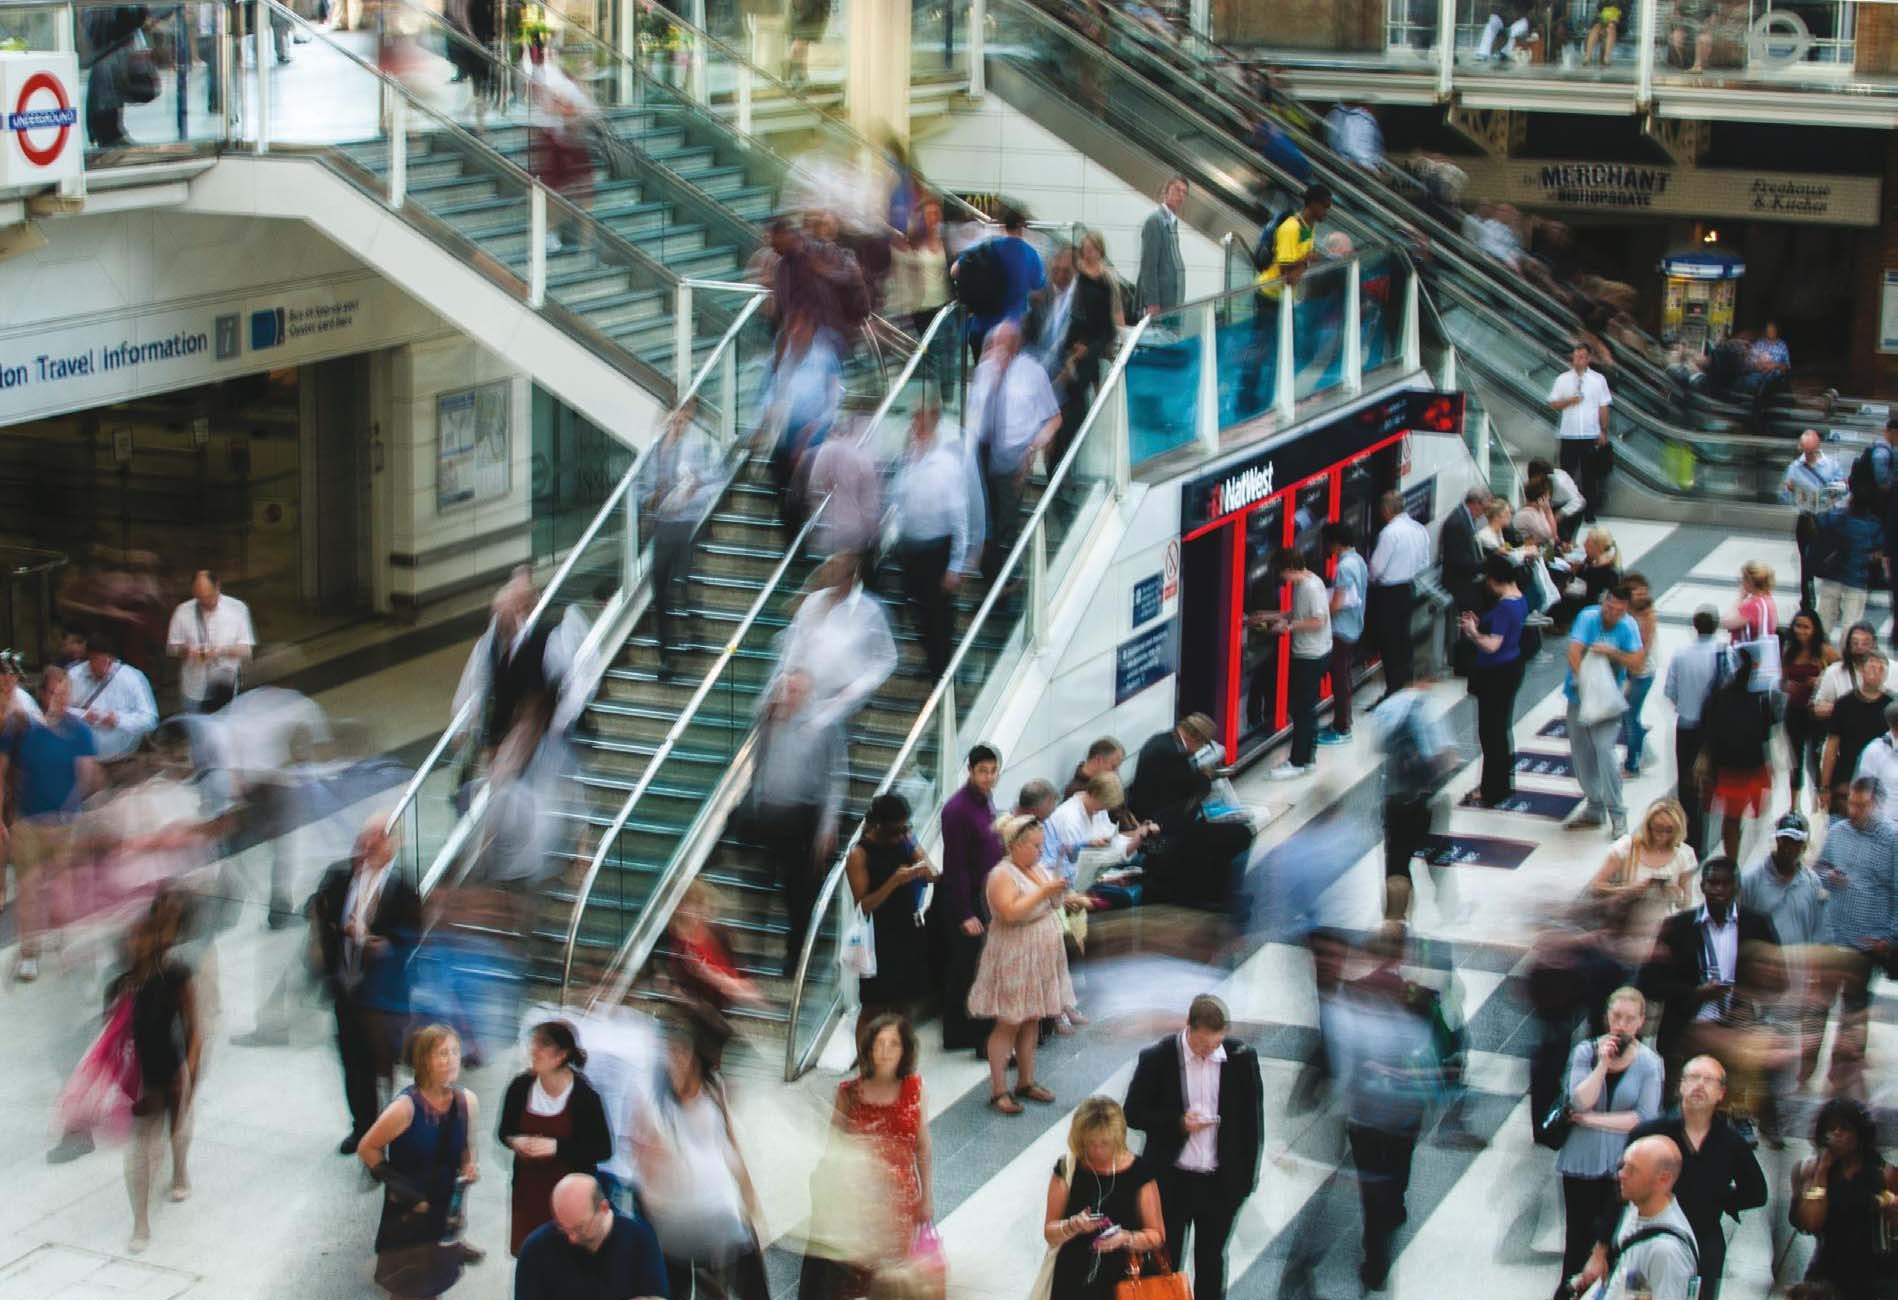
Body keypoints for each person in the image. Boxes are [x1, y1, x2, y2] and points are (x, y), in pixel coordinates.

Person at [1122, 995, 1264, 1300]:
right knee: (1163, 1260)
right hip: (1171, 1181)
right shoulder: (1157, 1059)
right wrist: (1177, 1123)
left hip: (1219, 1183)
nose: (1209, 1051)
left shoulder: (1241, 1059)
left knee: (1211, 1261)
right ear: (1189, 1028)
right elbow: (1132, 1113)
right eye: (1202, 1045)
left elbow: (1252, 1125)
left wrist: (1244, 1185)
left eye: (1216, 1044)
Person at [631, 1019, 769, 1300]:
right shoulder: (653, 1101)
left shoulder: (714, 1091)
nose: (676, 1062)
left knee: (737, 1286)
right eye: (670, 1055)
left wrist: (748, 1195)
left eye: (681, 1054)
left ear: (695, 1058)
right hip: (675, 1216)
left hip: (718, 1210)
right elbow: (644, 1158)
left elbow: (730, 1144)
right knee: (679, 1287)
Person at [803, 1014, 935, 1299]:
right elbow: (833, 1149)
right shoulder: (849, 1093)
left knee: (890, 1281)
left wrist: (927, 1196)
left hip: (899, 1205)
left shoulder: (915, 1089)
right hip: (857, 1204)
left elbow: (922, 1147)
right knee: (851, 1282)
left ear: (905, 1051)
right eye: (879, 1044)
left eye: (894, 1044)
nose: (885, 1051)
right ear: (868, 1049)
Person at [314, 817, 422, 1155]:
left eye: (380, 837)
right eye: (367, 836)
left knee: (383, 1065)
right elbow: (320, 913)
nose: (370, 843)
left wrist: (382, 946)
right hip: (346, 987)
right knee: (352, 1060)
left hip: (382, 997)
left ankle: (386, 1131)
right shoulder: (340, 877)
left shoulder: (403, 890)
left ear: (394, 843)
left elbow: (413, 940)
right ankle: (361, 1126)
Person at [358, 1025, 481, 1298]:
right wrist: (402, 1189)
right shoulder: (405, 1108)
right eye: (442, 1054)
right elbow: (367, 1148)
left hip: (441, 1216)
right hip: (407, 1220)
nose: (451, 1060)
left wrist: (470, 1166)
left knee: (432, 1288)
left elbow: (467, 1151)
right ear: (424, 1061)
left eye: (454, 1052)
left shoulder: (466, 1102)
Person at [112, 890, 203, 1254]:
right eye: (130, 938)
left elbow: (194, 1029)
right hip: (141, 1078)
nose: (135, 943)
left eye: (141, 936)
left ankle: (180, 1169)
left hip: (171, 1067)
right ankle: (141, 1222)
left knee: (177, 1131)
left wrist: (191, 1073)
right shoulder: (120, 984)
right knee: (138, 1148)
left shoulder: (176, 975)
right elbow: (112, 1040)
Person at [1555, 987, 1664, 1293]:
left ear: (1640, 1022)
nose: (1621, 1024)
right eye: (1616, 1016)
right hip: (1581, 1161)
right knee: (1577, 1240)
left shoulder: (1649, 1063)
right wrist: (1602, 1065)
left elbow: (1642, 1117)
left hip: (1622, 1166)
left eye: (1629, 1018)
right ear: (1607, 1016)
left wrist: (1590, 1121)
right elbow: (1578, 1100)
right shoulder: (1585, 1052)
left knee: (1614, 1240)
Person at [1639, 857, 1782, 1084]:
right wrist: (1695, 993)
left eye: (1725, 884)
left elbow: (1779, 979)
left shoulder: (1756, 925)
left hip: (1738, 1033)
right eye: (1712, 883)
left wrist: (1747, 1000)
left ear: (1737, 887)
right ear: (1702, 885)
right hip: (1686, 1034)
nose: (1718, 890)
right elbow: (1648, 983)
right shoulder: (1678, 927)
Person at [968, 814, 1073, 1114]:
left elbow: (1052, 902)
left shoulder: (1036, 868)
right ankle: (998, 1088)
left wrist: (1060, 891)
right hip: (1015, 953)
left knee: (1031, 1018)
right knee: (1009, 1022)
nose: (1040, 852)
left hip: (1039, 952)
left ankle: (1026, 1081)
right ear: (1015, 845)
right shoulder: (1001, 874)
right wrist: (1044, 891)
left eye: (1042, 846)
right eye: (1035, 846)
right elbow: (1010, 913)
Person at [2, 664, 102, 982]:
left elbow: (87, 776)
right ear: (43, 694)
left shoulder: (81, 731)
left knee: (63, 890)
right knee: (29, 889)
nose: (62, 699)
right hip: (28, 822)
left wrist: (85, 807)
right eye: (56, 692)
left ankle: (62, 938)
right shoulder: (21, 730)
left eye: (66, 692)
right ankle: (28, 952)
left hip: (65, 823)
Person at [749, 669, 847, 978]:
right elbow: (758, 763)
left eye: (794, 692)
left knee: (798, 893)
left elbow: (836, 776)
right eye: (785, 690)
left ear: (807, 694)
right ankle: (754, 954)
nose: (788, 697)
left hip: (804, 815)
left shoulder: (824, 724)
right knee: (760, 884)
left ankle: (796, 960)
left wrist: (828, 825)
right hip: (769, 812)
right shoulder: (769, 720)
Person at [1809, 776, 1898, 1099]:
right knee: (1818, 1006)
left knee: (1854, 1010)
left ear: (1876, 804)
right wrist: (1828, 876)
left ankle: (1841, 1074)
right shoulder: (1838, 832)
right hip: (1834, 935)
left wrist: (1890, 935)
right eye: (1851, 803)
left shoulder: (1892, 841)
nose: (1853, 810)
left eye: (1861, 805)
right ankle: (1807, 1067)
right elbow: (1817, 868)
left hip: (1866, 943)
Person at [497, 1021, 613, 1257]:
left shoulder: (584, 1097)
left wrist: (556, 1148)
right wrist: (515, 1141)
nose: (534, 1051)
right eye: (534, 1044)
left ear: (561, 1055)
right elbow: (504, 1131)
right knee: (531, 1256)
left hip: (570, 1200)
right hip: (528, 1192)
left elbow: (602, 1149)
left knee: (564, 1258)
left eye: (543, 1046)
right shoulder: (520, 1087)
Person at [1125, 714, 1254, 911]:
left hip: (1165, 822)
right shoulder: (1171, 755)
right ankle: (1214, 897)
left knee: (1228, 834)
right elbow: (1191, 787)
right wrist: (1205, 777)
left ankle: (1218, 895)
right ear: (1196, 738)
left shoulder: (1162, 742)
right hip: (1164, 830)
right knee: (1238, 835)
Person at [1740, 811, 1828, 1098]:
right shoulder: (1751, 880)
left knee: (1789, 1048)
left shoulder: (1812, 883)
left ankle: (1783, 1098)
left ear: (1804, 846)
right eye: (1784, 840)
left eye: (1795, 842)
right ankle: (1769, 1109)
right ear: (1776, 840)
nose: (1788, 847)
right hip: (1764, 983)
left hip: (1799, 981)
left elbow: (1818, 933)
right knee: (1766, 1047)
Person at [1041, 1098, 1165, 1300]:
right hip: (1073, 1278)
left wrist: (1126, 1238)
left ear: (1117, 1138)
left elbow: (1156, 1235)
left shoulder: (1139, 1173)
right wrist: (1073, 1225)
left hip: (1125, 1280)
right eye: (1091, 1143)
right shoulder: (1068, 1168)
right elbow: (1050, 1232)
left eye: (1105, 1143)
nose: (1097, 1150)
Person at [968, 322, 1060, 579]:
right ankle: (993, 577)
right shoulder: (984, 370)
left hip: (1015, 456)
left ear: (1016, 345)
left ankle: (1004, 581)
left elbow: (1054, 418)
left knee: (1005, 523)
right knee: (986, 521)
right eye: (996, 343)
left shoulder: (1033, 372)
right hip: (983, 453)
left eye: (1006, 344)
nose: (999, 350)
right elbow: (974, 412)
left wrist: (1033, 449)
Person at [890, 400, 974, 681]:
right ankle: (931, 660)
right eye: (914, 421)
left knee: (939, 613)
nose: (916, 427)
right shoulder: (910, 459)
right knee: (918, 608)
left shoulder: (947, 464)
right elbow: (898, 498)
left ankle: (942, 667)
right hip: (911, 546)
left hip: (938, 547)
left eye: (921, 422)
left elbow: (959, 517)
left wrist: (955, 565)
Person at [635, 403, 719, 678]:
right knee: (660, 588)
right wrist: (651, 498)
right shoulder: (654, 452)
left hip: (686, 522)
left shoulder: (697, 447)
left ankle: (693, 629)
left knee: (682, 579)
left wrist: (694, 487)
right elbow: (640, 490)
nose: (677, 426)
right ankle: (666, 656)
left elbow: (715, 476)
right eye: (674, 421)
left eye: (682, 420)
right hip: (663, 525)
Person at [1790, 1098, 1898, 1300]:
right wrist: (1822, 1171)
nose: (1837, 1134)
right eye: (1831, 1129)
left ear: (1859, 1134)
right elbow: (1810, 1222)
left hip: (1875, 1274)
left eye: (1845, 1128)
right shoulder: (1809, 1170)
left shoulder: (1884, 1174)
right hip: (1828, 1268)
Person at [932, 745, 1003, 1053]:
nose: (988, 777)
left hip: (983, 895)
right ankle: (962, 1034)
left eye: (992, 771)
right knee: (966, 969)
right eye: (982, 771)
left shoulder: (983, 801)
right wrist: (964, 913)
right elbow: (956, 865)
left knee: (975, 967)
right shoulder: (958, 809)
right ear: (970, 771)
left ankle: (968, 1033)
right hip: (966, 899)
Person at [1570, 1135, 1702, 1300]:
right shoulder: (1636, 1207)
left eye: (1632, 1170)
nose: (1621, 1174)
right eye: (1623, 1166)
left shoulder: (1666, 1252)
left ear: (1663, 1180)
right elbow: (1636, 1286)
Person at [846, 794, 939, 1028]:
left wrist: (919, 864)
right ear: (879, 825)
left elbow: (933, 873)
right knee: (873, 1006)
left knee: (904, 1003)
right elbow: (863, 905)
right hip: (877, 936)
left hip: (906, 929)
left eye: (905, 827)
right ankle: (867, 1062)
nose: (900, 835)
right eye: (895, 830)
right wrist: (893, 882)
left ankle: (902, 1058)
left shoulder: (905, 840)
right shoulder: (860, 854)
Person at [1565, 583, 1644, 839]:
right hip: (1580, 697)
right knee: (1581, 753)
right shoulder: (1588, 618)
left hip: (1608, 701)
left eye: (1618, 611)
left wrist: (1613, 652)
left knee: (1605, 752)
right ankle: (1594, 805)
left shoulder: (1628, 626)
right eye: (1608, 608)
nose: (1611, 614)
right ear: (1603, 602)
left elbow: (1637, 661)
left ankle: (1617, 812)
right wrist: (1585, 682)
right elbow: (1574, 652)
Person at [513, 1173, 668, 1300]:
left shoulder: (639, 1236)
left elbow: (656, 1295)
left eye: (580, 1228)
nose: (571, 1238)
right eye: (561, 1226)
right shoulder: (535, 1249)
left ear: (603, 1208)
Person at [1256, 547, 1331, 781]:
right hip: (1314, 652)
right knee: (1306, 709)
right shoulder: (1308, 583)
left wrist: (1288, 628)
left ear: (1289, 569)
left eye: (1282, 574)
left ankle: (1299, 761)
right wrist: (1271, 616)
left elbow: (1317, 620)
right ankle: (1306, 757)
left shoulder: (1309, 587)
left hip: (1310, 655)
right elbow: (1297, 612)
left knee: (1302, 710)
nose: (1282, 579)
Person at [1053, 230, 1125, 468]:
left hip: (1097, 338)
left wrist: (1117, 336)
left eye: (1093, 248)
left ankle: (1069, 449)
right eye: (1086, 247)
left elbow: (1113, 314)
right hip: (1076, 339)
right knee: (1074, 393)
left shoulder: (1107, 279)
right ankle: (1064, 451)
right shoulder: (1075, 275)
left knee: (1079, 388)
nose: (1089, 252)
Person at [1461, 552, 1528, 808]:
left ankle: (1492, 789)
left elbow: (1492, 645)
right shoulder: (1519, 598)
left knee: (1491, 733)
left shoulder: (1504, 607)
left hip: (1496, 674)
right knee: (1500, 730)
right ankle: (1499, 784)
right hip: (1511, 667)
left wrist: (1473, 633)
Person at [1699, 648, 1778, 861]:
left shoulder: (1720, 696)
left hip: (1736, 767)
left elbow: (1709, 731)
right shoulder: (1759, 697)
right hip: (1741, 768)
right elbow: (1767, 732)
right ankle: (1735, 863)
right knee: (1739, 819)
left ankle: (1736, 862)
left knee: (1735, 819)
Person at [1590, 798, 1699, 943]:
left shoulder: (1684, 855)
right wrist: (1628, 890)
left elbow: (1686, 902)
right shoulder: (1627, 846)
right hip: (1627, 927)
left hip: (1662, 930)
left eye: (1669, 830)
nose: (1662, 835)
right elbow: (1596, 886)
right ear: (1648, 826)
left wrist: (1676, 894)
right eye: (1658, 828)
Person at [1665, 607, 1725, 858]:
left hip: (1687, 725)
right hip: (1715, 728)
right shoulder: (1723, 653)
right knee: (1711, 781)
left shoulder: (1681, 654)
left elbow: (1670, 690)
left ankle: (1693, 840)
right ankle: (1712, 831)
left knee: (1687, 785)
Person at [956, 203, 1044, 360]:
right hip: (1010, 333)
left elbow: (955, 270)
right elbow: (1038, 286)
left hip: (980, 327)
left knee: (984, 375)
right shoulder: (1030, 254)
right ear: (1022, 227)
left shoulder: (986, 246)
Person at [1367, 489, 1429, 703]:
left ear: (1386, 510)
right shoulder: (1418, 529)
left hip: (1389, 593)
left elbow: (1375, 568)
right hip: (1408, 589)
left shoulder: (1389, 533)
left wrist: (1371, 580)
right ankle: (1405, 682)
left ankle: (1394, 689)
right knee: (1404, 639)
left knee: (1390, 642)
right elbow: (1424, 562)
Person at [166, 569, 255, 713]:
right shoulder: (182, 611)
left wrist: (220, 651)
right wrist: (187, 651)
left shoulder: (237, 608)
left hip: (225, 687)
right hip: (194, 689)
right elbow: (172, 648)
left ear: (217, 587)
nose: (205, 602)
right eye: (200, 598)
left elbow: (247, 650)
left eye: (209, 596)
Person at [66, 631, 158, 761]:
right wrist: (82, 715)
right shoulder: (73, 676)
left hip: (120, 752)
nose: (102, 667)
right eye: (95, 660)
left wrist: (118, 720)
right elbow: (58, 710)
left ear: (113, 659)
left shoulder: (132, 677)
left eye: (107, 661)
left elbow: (150, 719)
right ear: (89, 658)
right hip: (81, 754)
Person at [1547, 344, 1613, 521]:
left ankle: (1589, 512)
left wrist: (1603, 430)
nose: (1578, 361)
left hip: (1589, 434)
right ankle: (1564, 510)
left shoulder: (1598, 380)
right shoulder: (1563, 379)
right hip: (1569, 434)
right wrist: (1569, 401)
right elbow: (1553, 403)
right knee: (1566, 474)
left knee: (1589, 475)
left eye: (1582, 357)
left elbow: (1604, 405)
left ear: (1588, 359)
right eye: (1575, 357)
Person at [1812, 479, 1885, 636]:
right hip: (1857, 578)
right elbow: (1879, 551)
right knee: (1850, 624)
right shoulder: (1874, 525)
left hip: (1833, 573)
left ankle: (1820, 654)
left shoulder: (1835, 517)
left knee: (1825, 619)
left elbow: (1818, 521)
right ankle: (1847, 657)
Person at [1783, 610, 1839, 812]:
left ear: (1815, 629)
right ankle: (1793, 807)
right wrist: (1787, 686)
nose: (1802, 631)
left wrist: (1821, 681)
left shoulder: (1825, 651)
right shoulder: (1790, 652)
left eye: (1806, 627)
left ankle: (1818, 803)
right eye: (1798, 626)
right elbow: (1781, 679)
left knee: (1816, 759)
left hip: (1816, 715)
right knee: (1795, 760)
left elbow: (1839, 673)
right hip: (1794, 712)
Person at [1783, 432, 1847, 609]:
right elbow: (1785, 497)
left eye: (1811, 451)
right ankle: (1808, 601)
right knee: (1806, 561)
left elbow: (1843, 488)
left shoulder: (1831, 465)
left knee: (1831, 559)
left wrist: (1835, 491)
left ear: (1818, 447)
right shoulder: (1795, 467)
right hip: (1806, 519)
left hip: (1828, 517)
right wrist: (1788, 490)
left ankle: (1835, 600)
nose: (1808, 455)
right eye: (1805, 451)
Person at [1820, 654, 1891, 814]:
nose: (1875, 671)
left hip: (1880, 782)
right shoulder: (1844, 704)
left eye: (1880, 668)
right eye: (1871, 666)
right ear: (1861, 670)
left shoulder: (1892, 706)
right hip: (1845, 778)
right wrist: (1824, 786)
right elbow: (1831, 746)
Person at [1320, 522, 1369, 746]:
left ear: (1336, 544)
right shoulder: (1358, 560)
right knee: (1343, 677)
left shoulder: (1344, 567)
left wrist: (1319, 613)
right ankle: (1342, 722)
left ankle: (1342, 727)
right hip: (1354, 627)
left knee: (1339, 679)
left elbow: (1338, 603)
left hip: (1341, 630)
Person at [1619, 573, 1660, 777]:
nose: (1641, 593)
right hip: (1629, 669)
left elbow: (1643, 648)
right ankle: (1643, 749)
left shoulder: (1647, 616)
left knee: (1630, 715)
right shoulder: (1627, 610)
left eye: (1643, 589)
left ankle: (1632, 763)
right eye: (1636, 590)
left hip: (1641, 672)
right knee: (1627, 714)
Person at [1136, 176, 1188, 317]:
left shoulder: (1171, 222)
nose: (1181, 196)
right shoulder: (1155, 221)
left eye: (1185, 193)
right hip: (1160, 304)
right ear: (1166, 192)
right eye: (1177, 190)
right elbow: (1149, 265)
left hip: (1171, 301)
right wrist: (1152, 302)